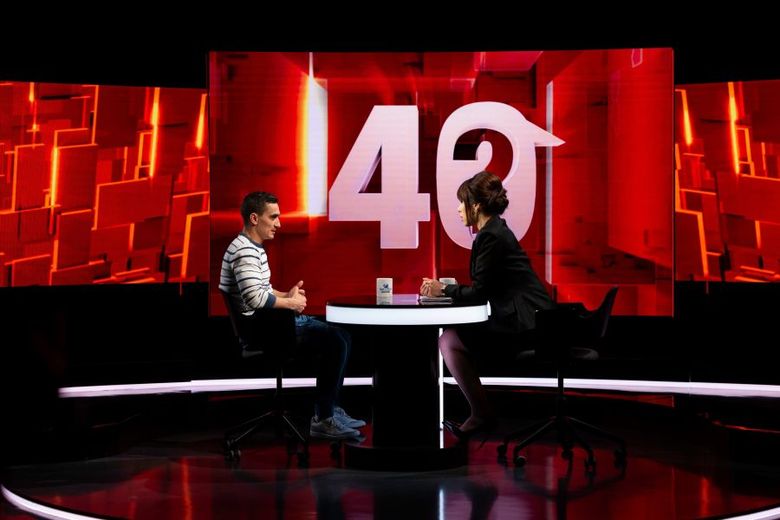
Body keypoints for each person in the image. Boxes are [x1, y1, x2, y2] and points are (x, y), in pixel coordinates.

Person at [220, 191, 365, 440]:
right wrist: (290, 303)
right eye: (273, 217)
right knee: (336, 340)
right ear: (254, 218)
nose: (278, 223)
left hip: (268, 324)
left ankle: (329, 410)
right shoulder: (244, 252)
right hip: (264, 330)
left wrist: (285, 295)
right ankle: (324, 419)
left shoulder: (251, 247)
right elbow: (255, 299)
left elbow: (262, 290)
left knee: (342, 336)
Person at [420, 171, 553, 438]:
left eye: (462, 202)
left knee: (448, 340)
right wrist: (452, 290)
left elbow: (480, 292)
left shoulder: (490, 236)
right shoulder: (495, 231)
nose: (458, 209)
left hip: (526, 326)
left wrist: (443, 288)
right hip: (533, 320)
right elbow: (486, 287)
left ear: (476, 206)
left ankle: (481, 414)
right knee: (452, 337)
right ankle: (481, 413)